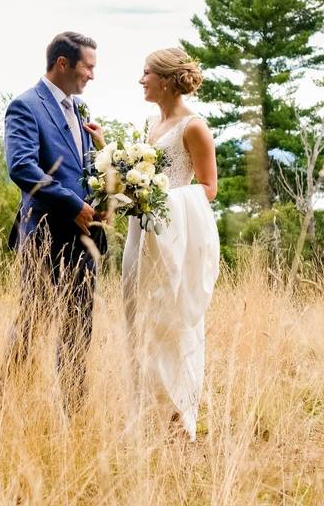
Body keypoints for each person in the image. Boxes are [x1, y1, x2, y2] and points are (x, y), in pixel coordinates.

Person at [86, 47, 219, 441]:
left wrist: (158, 198)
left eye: (146, 73)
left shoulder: (194, 126)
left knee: (170, 321)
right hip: (141, 234)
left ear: (165, 79)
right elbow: (138, 176)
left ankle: (178, 420)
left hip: (173, 235)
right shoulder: (151, 124)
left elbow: (208, 189)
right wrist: (106, 151)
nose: (140, 80)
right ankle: (148, 415)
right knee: (139, 318)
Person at [3, 31, 107, 411]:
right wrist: (73, 205)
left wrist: (100, 197)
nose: (92, 75)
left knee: (79, 327)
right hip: (44, 235)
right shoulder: (25, 106)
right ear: (63, 64)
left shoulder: (78, 110)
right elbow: (22, 167)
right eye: (88, 67)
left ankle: (73, 414)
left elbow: (80, 170)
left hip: (84, 239)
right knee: (32, 324)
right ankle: (6, 405)